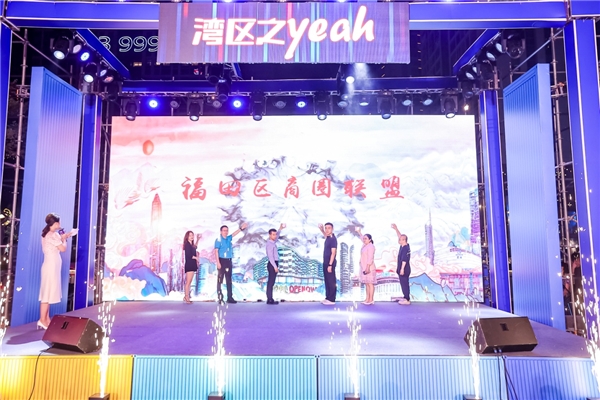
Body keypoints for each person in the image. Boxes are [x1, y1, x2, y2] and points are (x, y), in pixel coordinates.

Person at [38, 213, 73, 330]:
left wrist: (64, 237)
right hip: (50, 266)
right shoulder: (50, 235)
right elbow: (63, 248)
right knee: (46, 294)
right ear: (56, 223)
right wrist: (64, 240)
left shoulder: (53, 234)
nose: (60, 224)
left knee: (48, 293)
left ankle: (46, 318)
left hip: (53, 265)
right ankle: (42, 319)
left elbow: (59, 242)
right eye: (59, 222)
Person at [214, 222, 248, 304]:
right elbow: (216, 251)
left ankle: (230, 297)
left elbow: (234, 234)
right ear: (220, 231)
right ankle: (220, 297)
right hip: (221, 260)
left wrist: (241, 228)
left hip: (228, 261)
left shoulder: (228, 238)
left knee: (229, 280)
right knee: (220, 280)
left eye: (227, 230)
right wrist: (218, 262)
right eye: (224, 230)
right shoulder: (218, 240)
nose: (225, 232)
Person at [265, 223, 286, 305]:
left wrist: (280, 229)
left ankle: (270, 298)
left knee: (271, 282)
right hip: (272, 264)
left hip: (274, 263)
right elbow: (270, 257)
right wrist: (275, 266)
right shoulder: (269, 244)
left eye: (275, 234)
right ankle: (269, 299)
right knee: (270, 282)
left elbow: (277, 237)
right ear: (269, 235)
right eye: (273, 235)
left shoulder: (272, 242)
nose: (275, 236)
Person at [318, 222, 338, 305]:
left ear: (332, 229)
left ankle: (332, 299)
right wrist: (321, 230)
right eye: (326, 228)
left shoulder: (333, 239)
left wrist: (330, 265)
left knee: (331, 281)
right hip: (325, 262)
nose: (327, 230)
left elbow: (333, 253)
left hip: (330, 263)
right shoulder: (328, 237)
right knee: (327, 280)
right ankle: (328, 297)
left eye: (329, 228)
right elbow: (325, 235)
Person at [392, 223, 411, 305]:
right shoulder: (404, 246)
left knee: (404, 284)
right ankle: (405, 297)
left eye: (400, 239)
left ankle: (407, 299)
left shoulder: (405, 248)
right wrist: (396, 229)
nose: (398, 240)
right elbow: (400, 236)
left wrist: (402, 269)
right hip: (404, 268)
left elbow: (404, 260)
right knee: (404, 284)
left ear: (404, 240)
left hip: (404, 269)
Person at [356, 227, 376, 305]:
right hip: (364, 267)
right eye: (364, 239)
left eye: (366, 239)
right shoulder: (365, 245)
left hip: (369, 268)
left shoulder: (371, 246)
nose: (364, 240)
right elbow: (362, 238)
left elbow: (370, 258)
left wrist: (367, 268)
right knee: (367, 284)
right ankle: (367, 299)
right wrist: (359, 232)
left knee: (370, 284)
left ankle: (371, 299)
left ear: (370, 240)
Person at [183, 231, 202, 304]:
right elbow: (189, 255)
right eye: (190, 235)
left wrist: (198, 239)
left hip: (192, 264)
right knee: (188, 282)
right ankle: (186, 297)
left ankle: (186, 296)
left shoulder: (191, 245)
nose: (191, 236)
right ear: (187, 237)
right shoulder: (187, 245)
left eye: (192, 235)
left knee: (190, 281)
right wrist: (196, 258)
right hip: (189, 264)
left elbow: (195, 247)